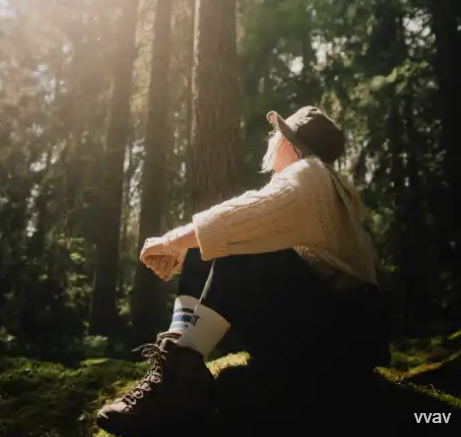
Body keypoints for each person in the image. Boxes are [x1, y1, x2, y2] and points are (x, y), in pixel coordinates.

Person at [96, 106, 389, 436]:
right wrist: (183, 250)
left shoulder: (311, 176)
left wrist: (170, 242)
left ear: (291, 146)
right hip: (335, 339)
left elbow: (240, 219)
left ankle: (177, 388)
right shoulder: (324, 187)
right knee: (213, 242)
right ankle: (178, 376)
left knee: (233, 241)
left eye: (279, 135)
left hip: (340, 346)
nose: (273, 140)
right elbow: (233, 225)